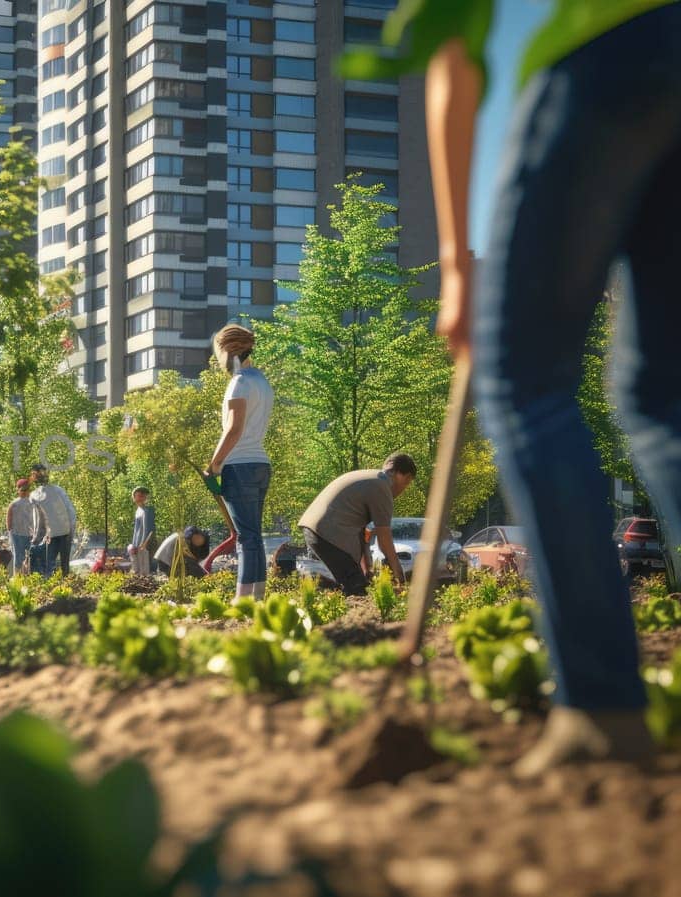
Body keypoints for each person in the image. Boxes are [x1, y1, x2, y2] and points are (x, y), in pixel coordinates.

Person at [417, 0, 681, 775]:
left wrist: (457, 267)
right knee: (661, 396)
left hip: (600, 54)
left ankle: (599, 706)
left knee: (524, 379)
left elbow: (451, 58)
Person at [205, 323, 274, 603]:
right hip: (260, 464)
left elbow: (233, 428)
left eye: (218, 352)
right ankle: (256, 598)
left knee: (245, 538)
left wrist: (214, 464)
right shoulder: (262, 381)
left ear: (228, 350)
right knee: (254, 536)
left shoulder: (240, 382)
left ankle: (242, 601)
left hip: (239, 466)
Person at [298, 453, 416, 596]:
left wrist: (367, 571)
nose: (403, 490)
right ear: (404, 476)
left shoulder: (371, 479)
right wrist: (400, 578)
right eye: (407, 484)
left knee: (354, 583)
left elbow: (362, 534)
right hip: (329, 533)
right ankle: (346, 613)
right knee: (356, 590)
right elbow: (385, 543)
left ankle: (324, 592)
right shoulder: (382, 487)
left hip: (317, 529)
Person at [28, 463, 77, 577]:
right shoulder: (55, 490)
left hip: (59, 532)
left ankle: (58, 587)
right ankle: (59, 586)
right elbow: (70, 511)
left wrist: (36, 537)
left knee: (53, 563)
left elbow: (38, 519)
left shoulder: (37, 495)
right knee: (57, 562)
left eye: (34, 474)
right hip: (59, 531)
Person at [6, 478, 43, 575]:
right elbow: (9, 519)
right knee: (19, 558)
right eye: (22, 490)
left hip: (32, 535)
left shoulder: (34, 503)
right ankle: (18, 578)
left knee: (33, 557)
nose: (24, 492)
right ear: (18, 490)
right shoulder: (14, 504)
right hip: (17, 535)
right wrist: (11, 532)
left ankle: (30, 577)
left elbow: (40, 517)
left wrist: (39, 532)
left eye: (26, 489)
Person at [127, 486, 156, 577]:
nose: (141, 498)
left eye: (143, 496)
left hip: (144, 545)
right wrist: (134, 545)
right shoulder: (138, 511)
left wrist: (144, 543)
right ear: (134, 497)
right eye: (138, 495)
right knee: (136, 569)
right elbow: (136, 530)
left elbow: (149, 529)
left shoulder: (147, 511)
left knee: (144, 570)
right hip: (136, 545)